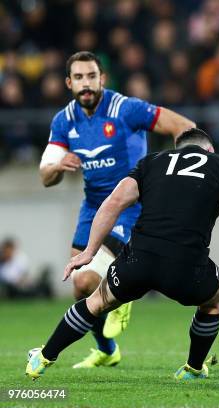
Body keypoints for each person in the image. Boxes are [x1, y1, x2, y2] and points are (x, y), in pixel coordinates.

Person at [26, 128, 219, 380]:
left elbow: (114, 202)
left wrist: (89, 251)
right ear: (209, 149)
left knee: (97, 301)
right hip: (187, 267)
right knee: (215, 296)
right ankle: (194, 368)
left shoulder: (151, 162)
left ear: (176, 149)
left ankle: (44, 356)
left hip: (138, 259)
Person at [38, 51, 195, 369]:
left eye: (91, 76)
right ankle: (107, 349)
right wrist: (58, 166)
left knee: (86, 282)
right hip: (92, 207)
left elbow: (184, 126)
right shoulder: (64, 120)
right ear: (69, 83)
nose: (86, 84)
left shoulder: (126, 108)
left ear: (102, 79)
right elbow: (45, 177)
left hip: (129, 206)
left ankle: (122, 293)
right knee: (80, 287)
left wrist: (183, 171)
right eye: (79, 78)